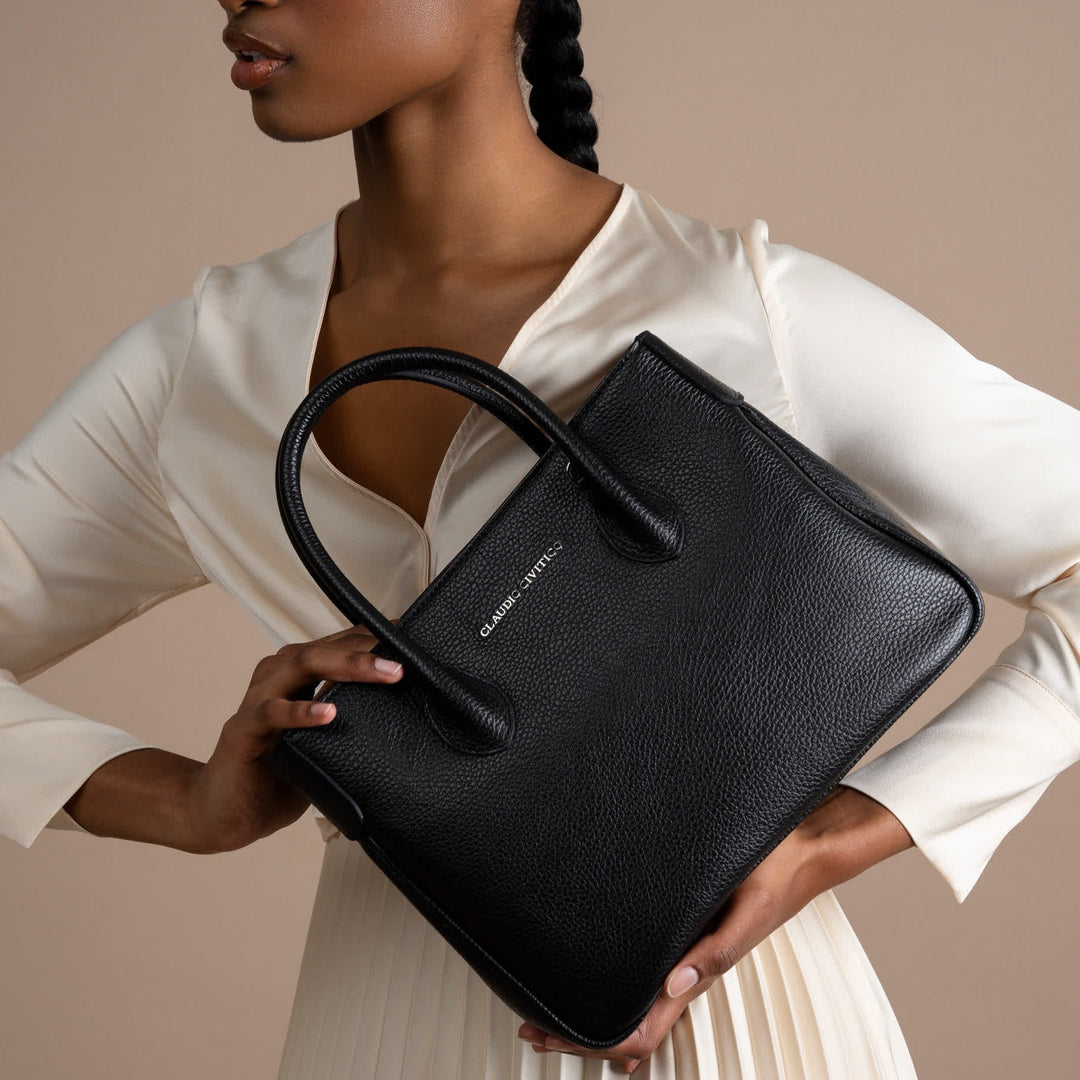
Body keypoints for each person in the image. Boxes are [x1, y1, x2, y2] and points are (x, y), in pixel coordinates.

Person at [3, 0, 1078, 1076]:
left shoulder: (739, 310)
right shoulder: (200, 369)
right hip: (379, 1027)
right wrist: (183, 805)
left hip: (738, 1033)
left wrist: (836, 839)